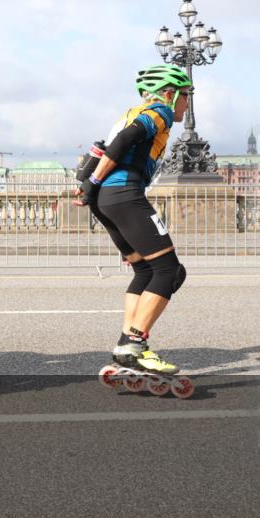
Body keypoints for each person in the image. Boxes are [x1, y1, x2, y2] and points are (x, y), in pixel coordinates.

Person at [74, 64, 191, 380]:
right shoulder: (159, 111)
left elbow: (102, 151)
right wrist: (94, 180)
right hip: (124, 195)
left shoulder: (128, 112)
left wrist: (89, 184)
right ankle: (134, 345)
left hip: (106, 201)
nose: (186, 105)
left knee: (144, 269)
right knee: (169, 270)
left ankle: (127, 342)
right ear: (170, 93)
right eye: (185, 97)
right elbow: (126, 140)